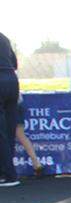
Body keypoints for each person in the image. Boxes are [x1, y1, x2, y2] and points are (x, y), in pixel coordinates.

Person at [0, 31, 21, 188]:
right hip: (12, 81)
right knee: (9, 130)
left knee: (1, 133)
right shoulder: (4, 37)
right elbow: (15, 63)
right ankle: (8, 172)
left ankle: (8, 174)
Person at [15, 96, 45, 177]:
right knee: (21, 135)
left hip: (9, 105)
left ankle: (36, 163)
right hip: (15, 101)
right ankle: (36, 163)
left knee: (18, 135)